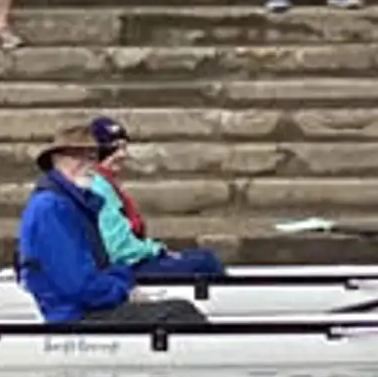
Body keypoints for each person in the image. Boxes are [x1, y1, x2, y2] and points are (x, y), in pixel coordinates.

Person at [16, 137, 226, 324]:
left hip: (83, 307)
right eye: (76, 157)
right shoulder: (52, 208)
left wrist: (122, 281)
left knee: (180, 305)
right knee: (180, 313)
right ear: (56, 161)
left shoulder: (72, 203)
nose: (87, 164)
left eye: (91, 157)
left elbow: (95, 271)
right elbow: (79, 286)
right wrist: (124, 291)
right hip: (74, 315)